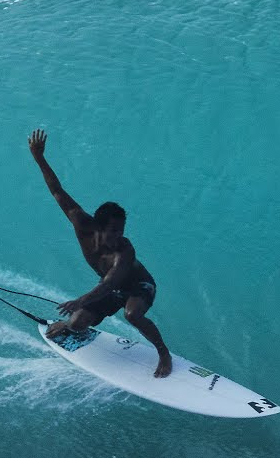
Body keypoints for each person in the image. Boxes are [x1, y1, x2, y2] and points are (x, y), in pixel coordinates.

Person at [28, 128, 173, 378]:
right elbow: (57, 191)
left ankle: (163, 353)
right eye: (113, 231)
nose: (119, 236)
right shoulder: (81, 223)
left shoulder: (124, 252)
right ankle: (70, 324)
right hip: (113, 289)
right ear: (98, 226)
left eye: (122, 230)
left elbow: (108, 285)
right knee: (75, 323)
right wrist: (38, 157)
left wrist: (80, 300)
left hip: (139, 286)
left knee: (132, 315)